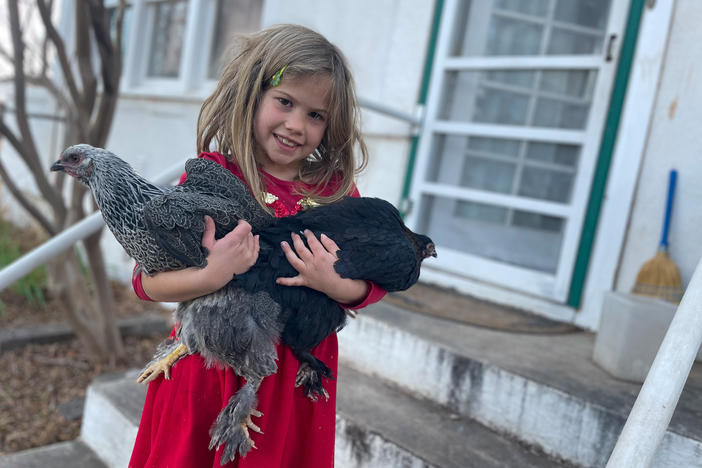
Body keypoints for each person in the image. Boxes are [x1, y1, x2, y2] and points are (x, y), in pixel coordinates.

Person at [128, 24, 386, 468]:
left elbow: (374, 281)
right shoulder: (212, 179)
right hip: (207, 371)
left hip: (290, 380)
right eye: (285, 102)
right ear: (253, 95)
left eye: (316, 115)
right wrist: (211, 275)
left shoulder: (337, 195)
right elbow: (146, 281)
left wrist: (335, 283)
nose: (295, 125)